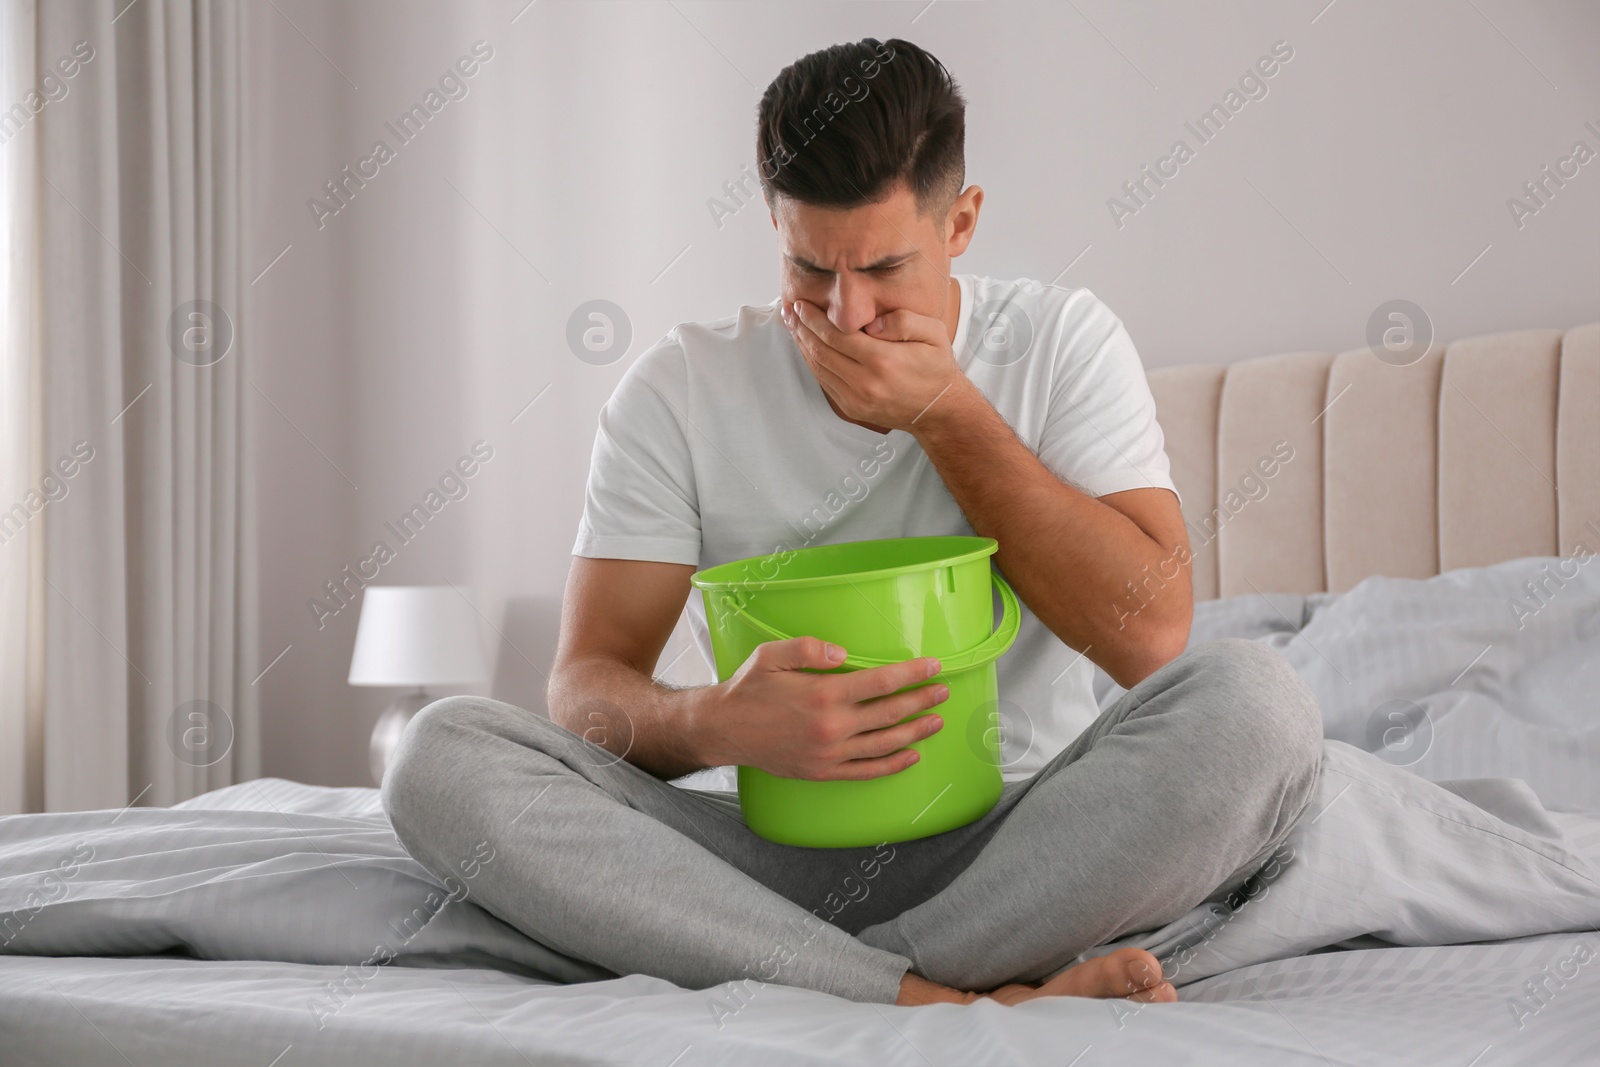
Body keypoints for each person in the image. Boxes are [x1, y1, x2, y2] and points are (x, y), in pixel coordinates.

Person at [382, 37, 1323, 1009]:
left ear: (960, 223)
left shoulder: (1060, 343)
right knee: (439, 754)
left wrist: (946, 414)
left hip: (1032, 843)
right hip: (764, 858)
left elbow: (1152, 636)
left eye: (883, 268)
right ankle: (941, 994)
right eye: (807, 268)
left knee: (1259, 704)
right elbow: (583, 685)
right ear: (772, 223)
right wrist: (718, 722)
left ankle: (822, 973)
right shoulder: (676, 390)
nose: (845, 311)